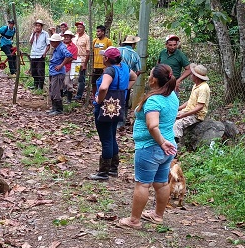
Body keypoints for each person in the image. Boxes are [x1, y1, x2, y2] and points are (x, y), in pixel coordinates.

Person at [119, 64, 179, 228]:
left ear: (154, 80)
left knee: (143, 184)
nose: (149, 77)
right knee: (161, 183)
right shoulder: (172, 96)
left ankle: (134, 220)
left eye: (151, 75)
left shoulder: (154, 100)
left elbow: (152, 126)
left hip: (151, 147)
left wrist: (161, 142)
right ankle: (158, 216)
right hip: (168, 148)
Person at [89, 48, 137, 180]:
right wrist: (124, 90)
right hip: (117, 107)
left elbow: (104, 87)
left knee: (106, 139)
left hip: (105, 108)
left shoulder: (109, 71)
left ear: (106, 58)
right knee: (111, 136)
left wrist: (99, 100)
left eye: (103, 56)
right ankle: (113, 169)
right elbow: (134, 77)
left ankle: (103, 172)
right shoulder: (125, 67)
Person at [174, 63, 211, 139]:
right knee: (171, 117)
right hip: (188, 111)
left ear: (196, 77)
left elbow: (200, 106)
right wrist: (178, 108)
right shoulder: (196, 85)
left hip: (196, 115)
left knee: (177, 124)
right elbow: (190, 101)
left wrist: (183, 115)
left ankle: (175, 141)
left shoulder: (203, 88)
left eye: (192, 75)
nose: (191, 76)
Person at [118, 35, 143, 128]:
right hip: (127, 81)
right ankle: (121, 122)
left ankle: (112, 119)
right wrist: (133, 78)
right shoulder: (135, 55)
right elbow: (139, 70)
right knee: (124, 100)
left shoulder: (117, 50)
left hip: (114, 78)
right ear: (133, 44)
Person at [47, 34, 72, 115]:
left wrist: (61, 65)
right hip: (53, 72)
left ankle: (58, 109)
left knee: (56, 91)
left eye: (52, 41)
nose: (51, 42)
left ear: (57, 42)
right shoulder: (57, 48)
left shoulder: (61, 48)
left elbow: (69, 55)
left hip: (58, 73)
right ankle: (54, 108)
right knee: (52, 90)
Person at [29, 19, 50, 91]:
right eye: (36, 26)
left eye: (39, 26)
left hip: (40, 55)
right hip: (33, 54)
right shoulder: (33, 34)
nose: (37, 27)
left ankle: (40, 87)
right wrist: (33, 34)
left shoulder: (45, 34)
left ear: (41, 27)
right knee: (34, 71)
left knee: (40, 71)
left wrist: (45, 53)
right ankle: (35, 85)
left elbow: (48, 45)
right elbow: (31, 42)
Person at [91, 25, 113, 89]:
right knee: (94, 83)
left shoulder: (108, 41)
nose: (97, 33)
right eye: (97, 31)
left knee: (103, 83)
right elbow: (93, 53)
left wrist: (107, 66)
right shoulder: (95, 41)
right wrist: (92, 65)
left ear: (103, 32)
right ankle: (94, 95)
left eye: (99, 31)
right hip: (95, 66)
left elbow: (110, 53)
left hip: (104, 66)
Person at [73, 21, 91, 100]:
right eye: (78, 27)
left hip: (82, 61)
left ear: (84, 28)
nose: (79, 28)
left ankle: (79, 96)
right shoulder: (75, 36)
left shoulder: (87, 38)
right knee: (74, 77)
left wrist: (85, 64)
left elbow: (88, 52)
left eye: (80, 27)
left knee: (81, 78)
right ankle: (72, 93)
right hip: (74, 61)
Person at [62, 30, 78, 102]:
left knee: (68, 82)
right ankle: (60, 97)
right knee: (61, 82)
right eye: (65, 36)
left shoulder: (74, 47)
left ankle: (69, 99)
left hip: (68, 66)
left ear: (71, 37)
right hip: (60, 67)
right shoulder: (61, 45)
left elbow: (72, 57)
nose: (66, 38)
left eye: (68, 37)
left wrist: (63, 62)